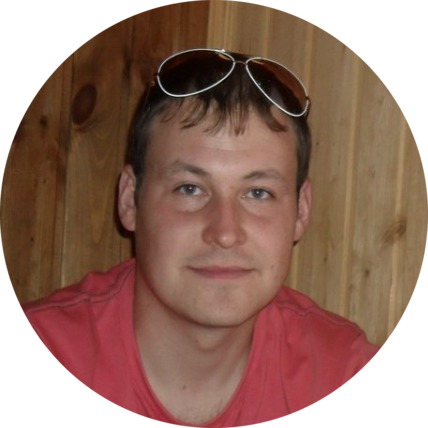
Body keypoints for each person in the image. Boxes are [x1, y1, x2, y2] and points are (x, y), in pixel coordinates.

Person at [22, 48, 380, 426]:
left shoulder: (340, 372)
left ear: (301, 211)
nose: (225, 233)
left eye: (258, 193)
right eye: (189, 189)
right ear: (130, 200)